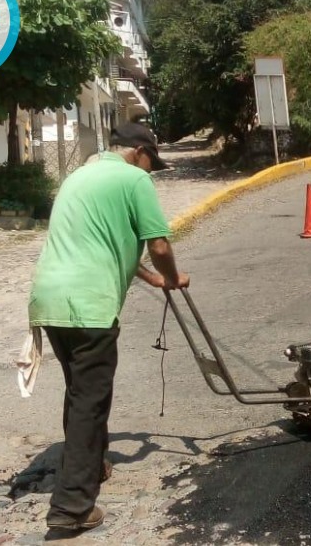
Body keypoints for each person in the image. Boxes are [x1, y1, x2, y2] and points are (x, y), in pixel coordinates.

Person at [28, 121, 189, 532]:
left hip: (48, 300)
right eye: (152, 163)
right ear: (139, 152)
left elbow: (108, 241)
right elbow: (159, 243)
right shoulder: (134, 179)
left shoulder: (79, 177)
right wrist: (171, 276)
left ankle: (90, 465)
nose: (151, 172)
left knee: (80, 390)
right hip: (89, 305)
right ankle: (71, 508)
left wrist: (153, 280)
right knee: (91, 400)